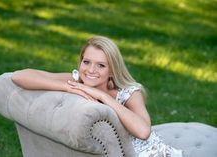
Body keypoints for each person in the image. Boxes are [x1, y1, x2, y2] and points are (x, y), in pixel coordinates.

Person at [11, 36, 183, 157]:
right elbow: (18, 76)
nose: (91, 70)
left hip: (150, 153)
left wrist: (103, 97)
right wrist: (69, 87)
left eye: (101, 65)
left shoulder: (130, 92)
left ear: (112, 71)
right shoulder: (76, 81)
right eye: (86, 62)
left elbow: (144, 131)